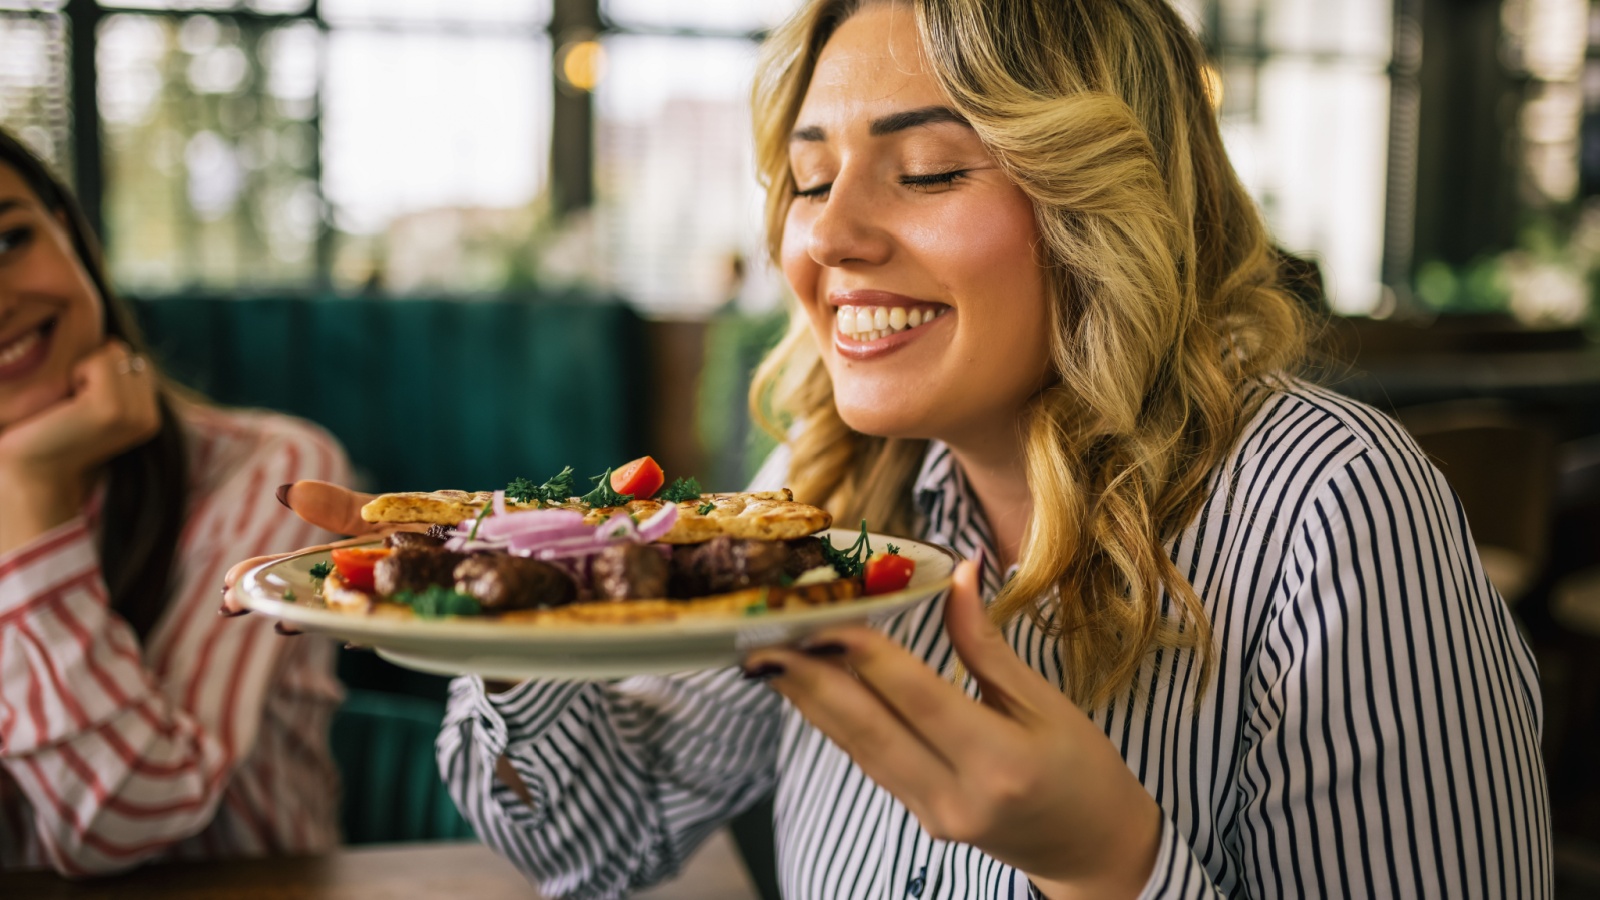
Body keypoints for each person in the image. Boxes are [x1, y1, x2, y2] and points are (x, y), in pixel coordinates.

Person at [233, 0, 1551, 896]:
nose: (828, 237)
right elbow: (600, 843)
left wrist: (1110, 865)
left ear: (1107, 202)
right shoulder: (819, 500)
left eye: (925, 171)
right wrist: (510, 604)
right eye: (808, 179)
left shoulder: (1332, 508)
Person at [0, 128, 350, 875]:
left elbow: (125, 821)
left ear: (69, 234)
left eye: (7, 241)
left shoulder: (273, 470)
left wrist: (30, 494)